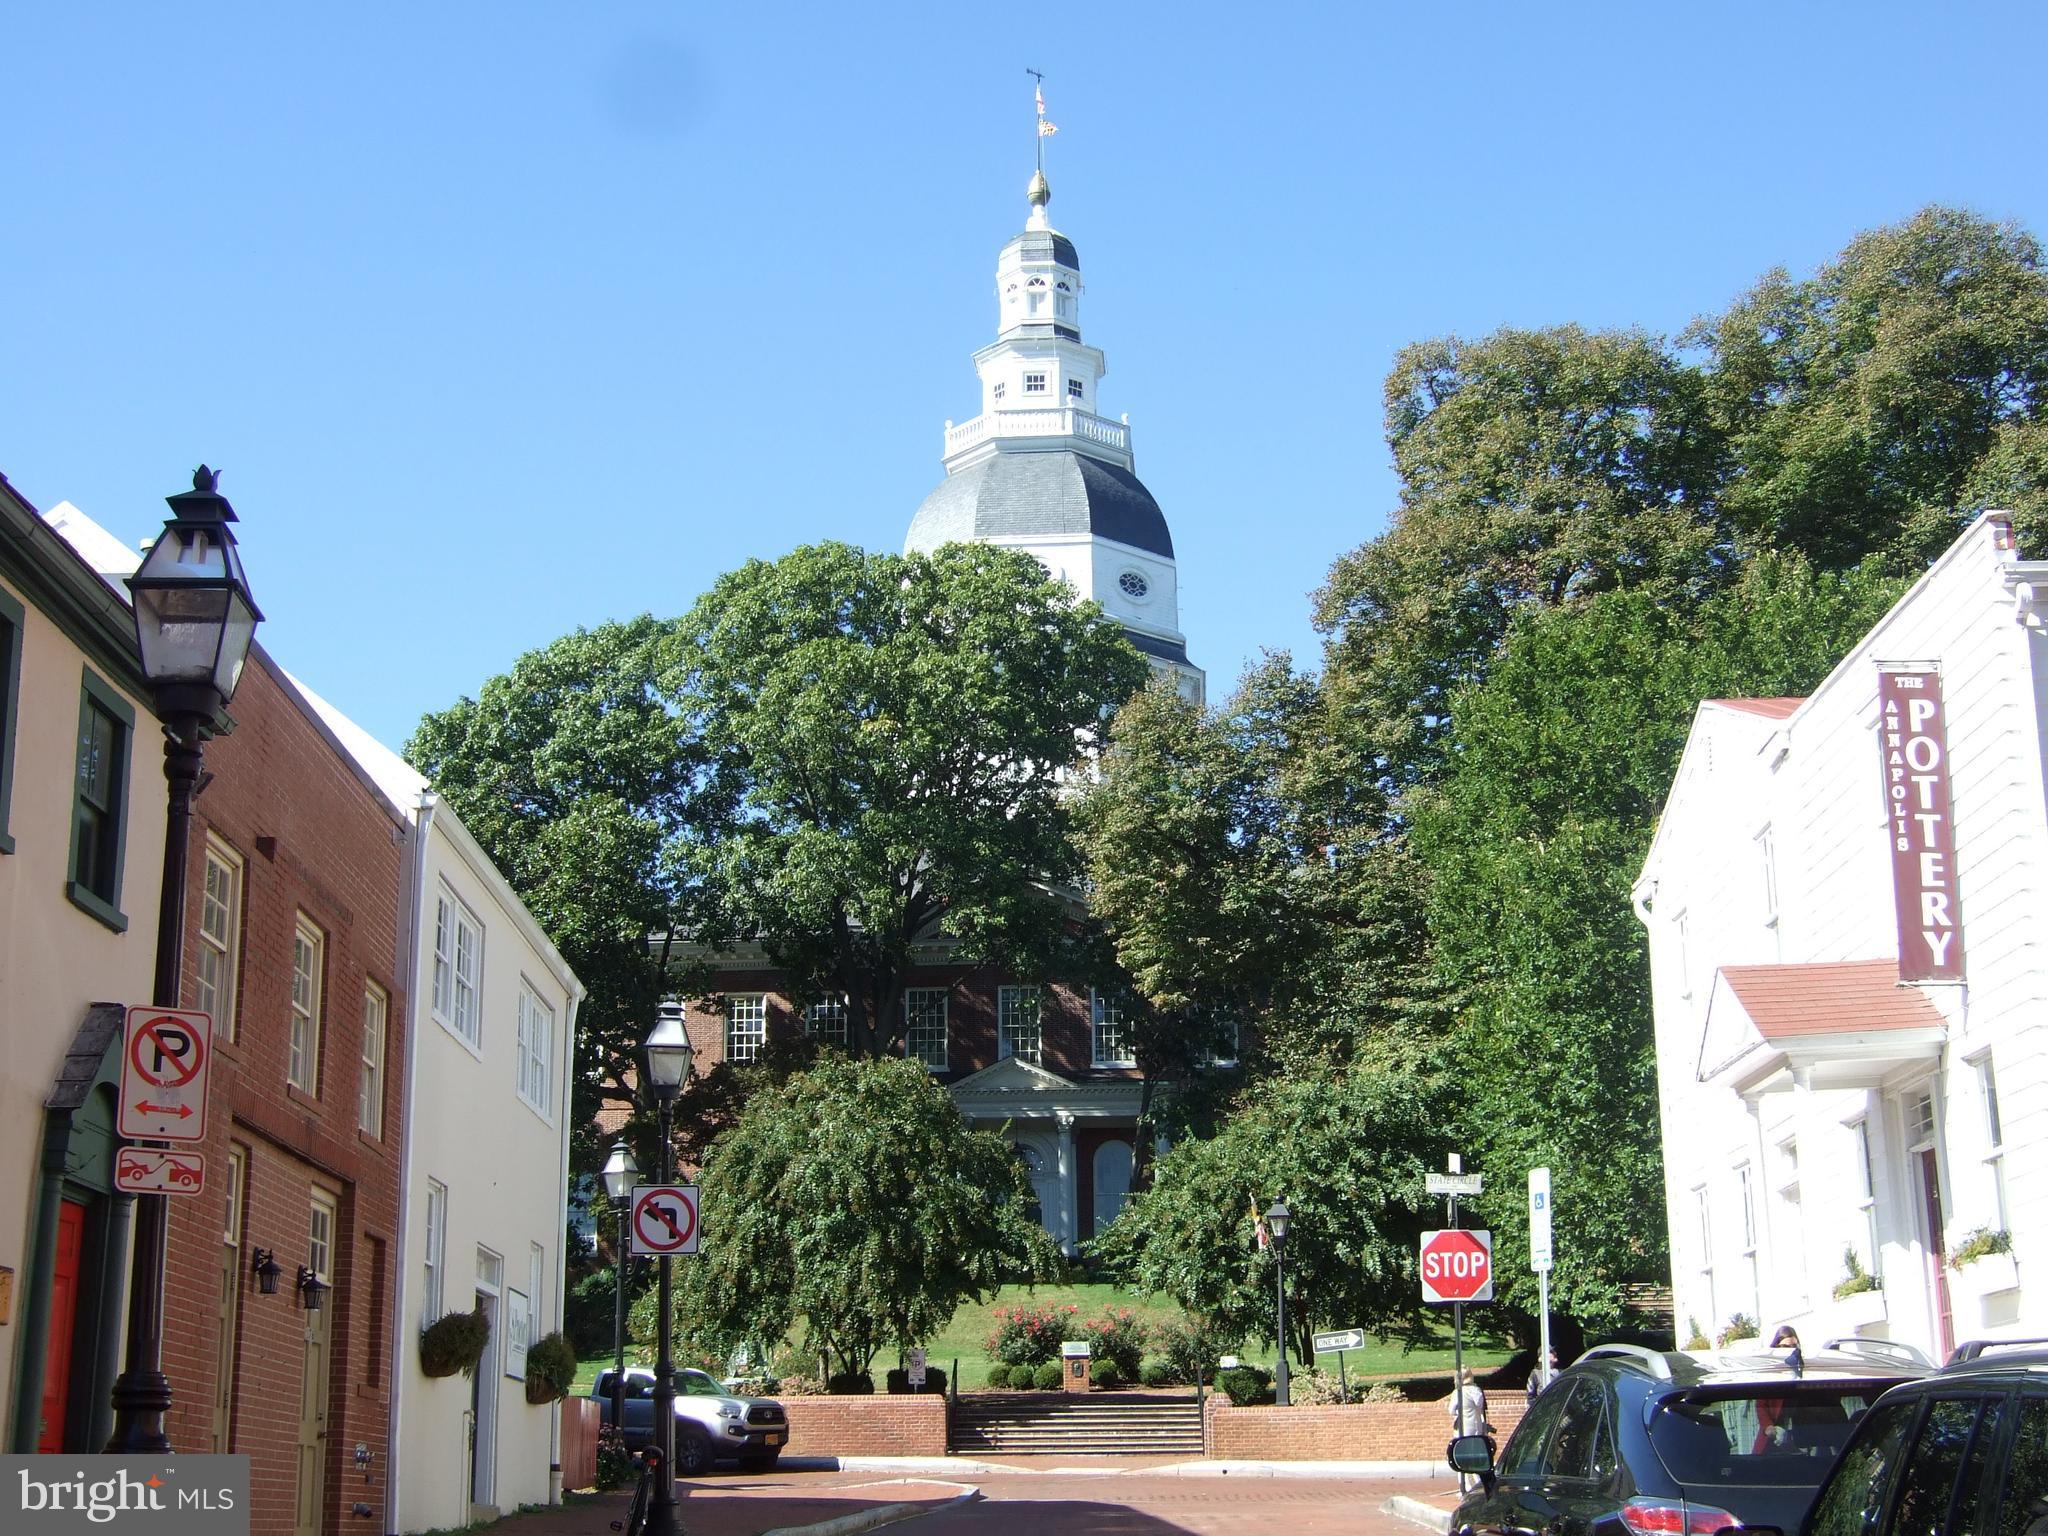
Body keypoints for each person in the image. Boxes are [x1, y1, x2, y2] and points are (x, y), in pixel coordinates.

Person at [1449, 1367, 1489, 1437]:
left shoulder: (1457, 1392)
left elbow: (1451, 1411)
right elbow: (1480, 1405)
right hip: (1476, 1427)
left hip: (1461, 1428)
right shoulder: (1476, 1390)